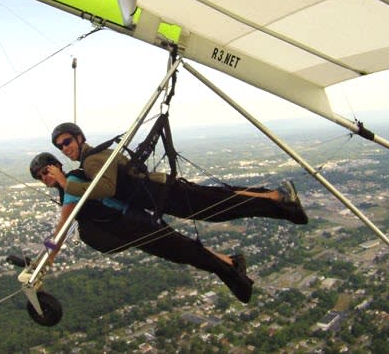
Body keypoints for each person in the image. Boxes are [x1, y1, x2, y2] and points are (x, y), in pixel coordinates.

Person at [29, 152, 254, 303]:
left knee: (182, 249)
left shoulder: (72, 183)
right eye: (41, 177)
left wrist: (48, 257)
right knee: (181, 246)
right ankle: (231, 262)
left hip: (132, 221)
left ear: (57, 166)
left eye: (46, 172)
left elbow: (63, 226)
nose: (45, 178)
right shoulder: (68, 185)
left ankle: (232, 270)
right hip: (133, 220)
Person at [50, 122, 309, 226]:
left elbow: (106, 189)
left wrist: (65, 184)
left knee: (219, 207)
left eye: (67, 142)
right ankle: (276, 195)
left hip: (161, 194)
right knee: (219, 197)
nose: (65, 148)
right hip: (161, 189)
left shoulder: (93, 160)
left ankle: (282, 202)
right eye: (60, 146)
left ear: (79, 138)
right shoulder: (96, 156)